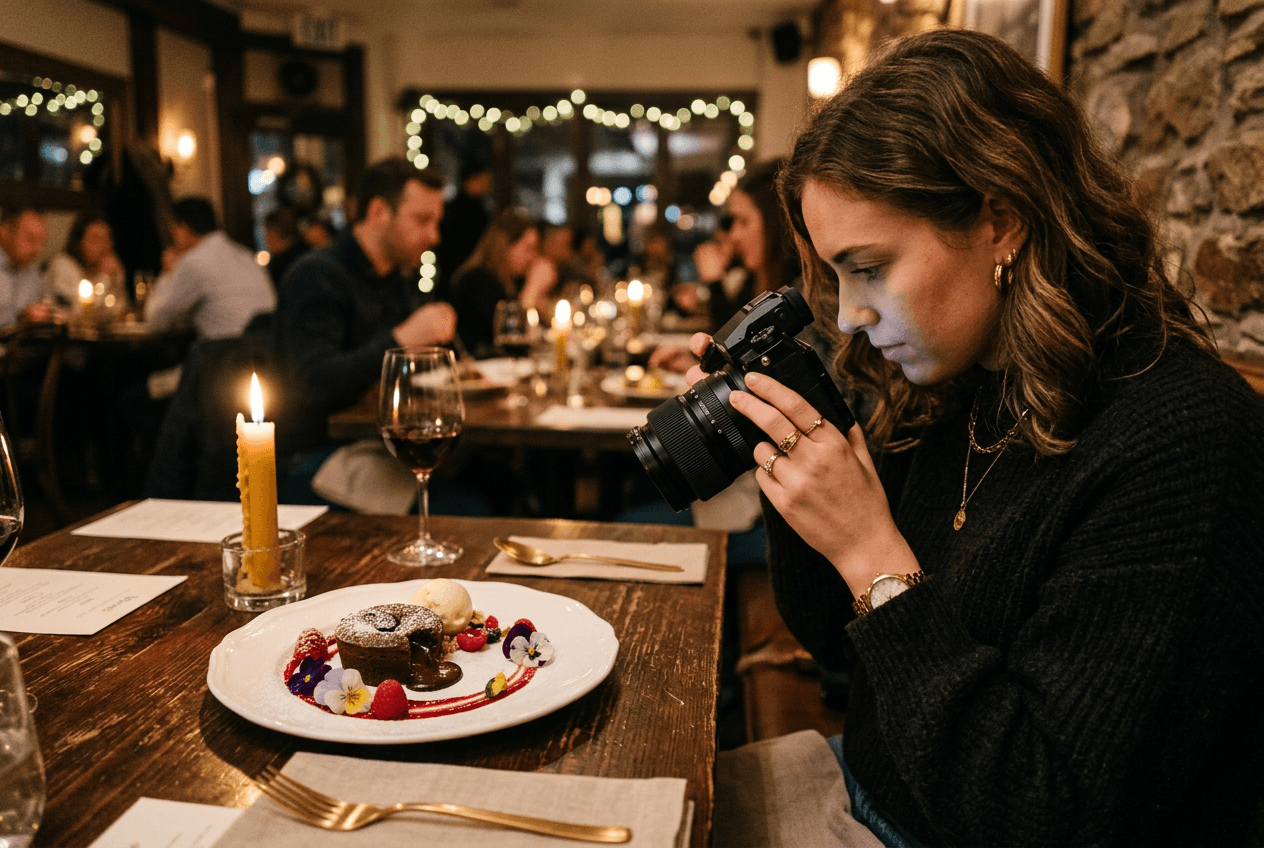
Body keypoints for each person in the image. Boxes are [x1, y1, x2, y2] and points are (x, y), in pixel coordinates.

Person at [700, 29, 1264, 847]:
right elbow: (836, 641)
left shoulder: (1184, 443)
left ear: (1001, 220)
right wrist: (794, 446)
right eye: (838, 274)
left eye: (870, 266)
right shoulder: (958, 381)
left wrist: (872, 553)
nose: (852, 315)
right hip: (869, 786)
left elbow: (1041, 811)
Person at [271, 157, 458, 505]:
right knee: (468, 508)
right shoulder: (316, 275)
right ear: (377, 213)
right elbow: (312, 386)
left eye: (436, 222)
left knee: (494, 478)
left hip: (379, 443)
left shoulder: (396, 279)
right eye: (422, 220)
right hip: (314, 456)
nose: (434, 236)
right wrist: (402, 340)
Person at [144, 198, 275, 339]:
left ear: (183, 228)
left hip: (231, 353)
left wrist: (167, 272)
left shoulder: (194, 262)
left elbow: (156, 320)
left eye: (173, 229)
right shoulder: (245, 255)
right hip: (268, 349)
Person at [448, 207, 554, 358]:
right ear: (505, 246)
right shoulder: (477, 281)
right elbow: (511, 343)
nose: (533, 257)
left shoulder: (513, 282)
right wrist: (532, 289)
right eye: (528, 248)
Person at [43, 210, 126, 316]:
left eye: (107, 239)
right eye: (96, 239)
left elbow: (119, 308)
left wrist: (114, 279)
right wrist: (104, 278)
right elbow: (80, 313)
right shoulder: (62, 266)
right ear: (79, 242)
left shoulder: (112, 266)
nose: (104, 246)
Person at [437, 161, 493, 289]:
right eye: (485, 179)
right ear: (471, 179)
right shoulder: (472, 211)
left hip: (451, 274)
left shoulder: (452, 207)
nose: (489, 185)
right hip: (465, 275)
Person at [0, 207, 48, 327]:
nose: (37, 250)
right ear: (4, 232)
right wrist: (20, 319)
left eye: (41, 242)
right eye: (30, 239)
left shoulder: (32, 273)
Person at [263, 207, 309, 289]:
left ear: (273, 233)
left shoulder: (278, 266)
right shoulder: (308, 253)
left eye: (267, 232)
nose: (265, 238)